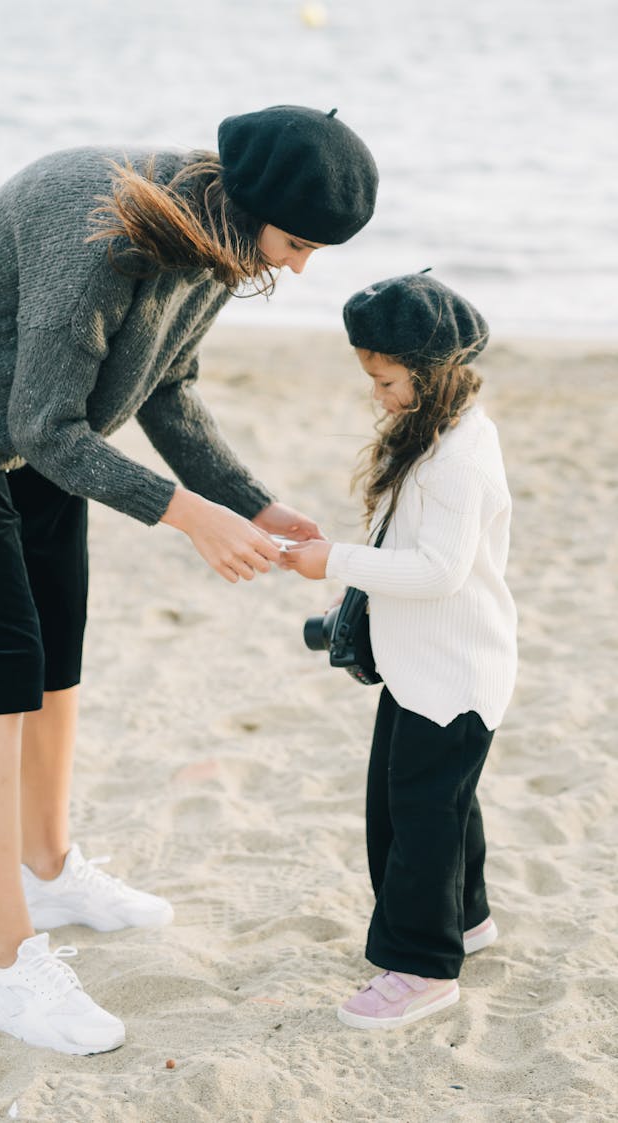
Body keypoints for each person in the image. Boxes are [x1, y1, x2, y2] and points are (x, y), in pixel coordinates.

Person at [0, 105, 379, 1054]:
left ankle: (50, 867)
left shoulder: (221, 235)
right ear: (256, 204)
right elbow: (43, 428)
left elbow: (167, 386)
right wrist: (189, 517)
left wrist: (250, 500)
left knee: (56, 652)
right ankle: (7, 969)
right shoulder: (95, 226)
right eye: (298, 242)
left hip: (46, 431)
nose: (299, 266)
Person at [281, 272, 517, 1029]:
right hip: (424, 667)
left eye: (385, 380)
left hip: (454, 672)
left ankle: (421, 966)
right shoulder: (441, 434)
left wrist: (336, 562)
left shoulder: (458, 461)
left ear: (430, 371)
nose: (378, 394)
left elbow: (439, 571)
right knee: (439, 804)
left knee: (416, 819)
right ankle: (467, 919)